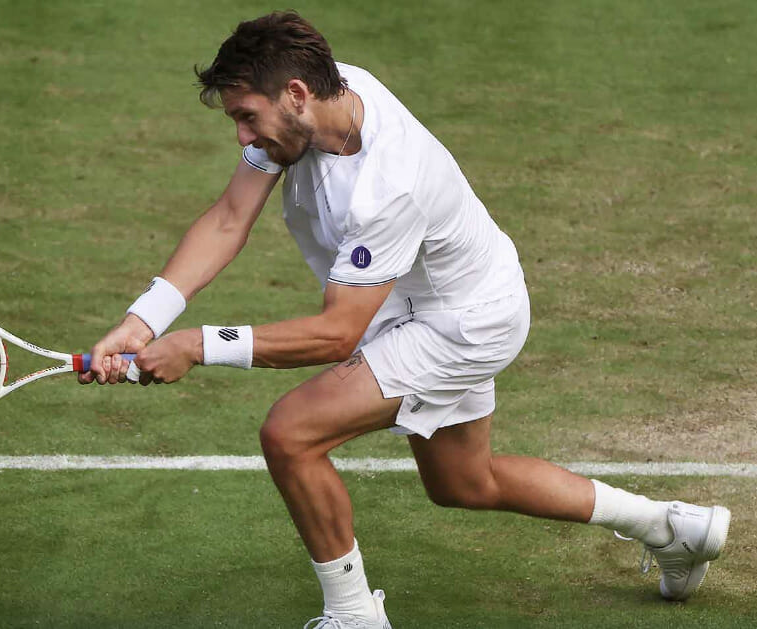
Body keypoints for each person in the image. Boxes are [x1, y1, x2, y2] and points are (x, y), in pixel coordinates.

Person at [79, 11, 730, 628]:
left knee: (290, 433)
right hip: (425, 303)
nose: (242, 137)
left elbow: (336, 332)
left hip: (460, 322)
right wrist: (144, 319)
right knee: (463, 481)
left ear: (297, 94)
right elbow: (228, 217)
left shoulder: (386, 184)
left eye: (247, 118)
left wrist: (197, 344)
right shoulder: (323, 101)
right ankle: (671, 528)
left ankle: (354, 614)